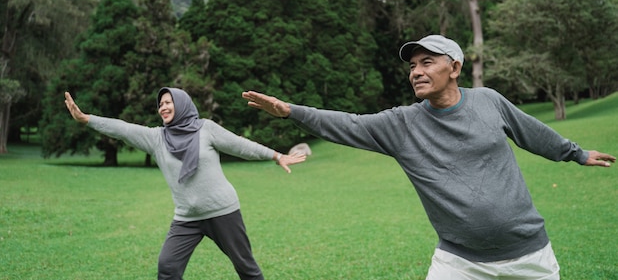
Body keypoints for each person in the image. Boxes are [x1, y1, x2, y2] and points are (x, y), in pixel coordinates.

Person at [241, 35, 615, 280]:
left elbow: (534, 133)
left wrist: (577, 153)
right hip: (459, 262)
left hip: (528, 254)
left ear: (454, 68)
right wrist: (292, 111)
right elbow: (348, 124)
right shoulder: (401, 124)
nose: (416, 72)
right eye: (412, 66)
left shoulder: (489, 101)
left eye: (427, 62)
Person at [64, 87, 306, 280]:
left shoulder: (206, 129)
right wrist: (86, 119)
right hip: (186, 218)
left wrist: (276, 156)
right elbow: (123, 129)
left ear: (181, 104)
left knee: (246, 269)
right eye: (160, 104)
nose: (163, 107)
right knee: (167, 268)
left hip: (223, 211)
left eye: (168, 102)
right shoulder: (156, 138)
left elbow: (240, 145)